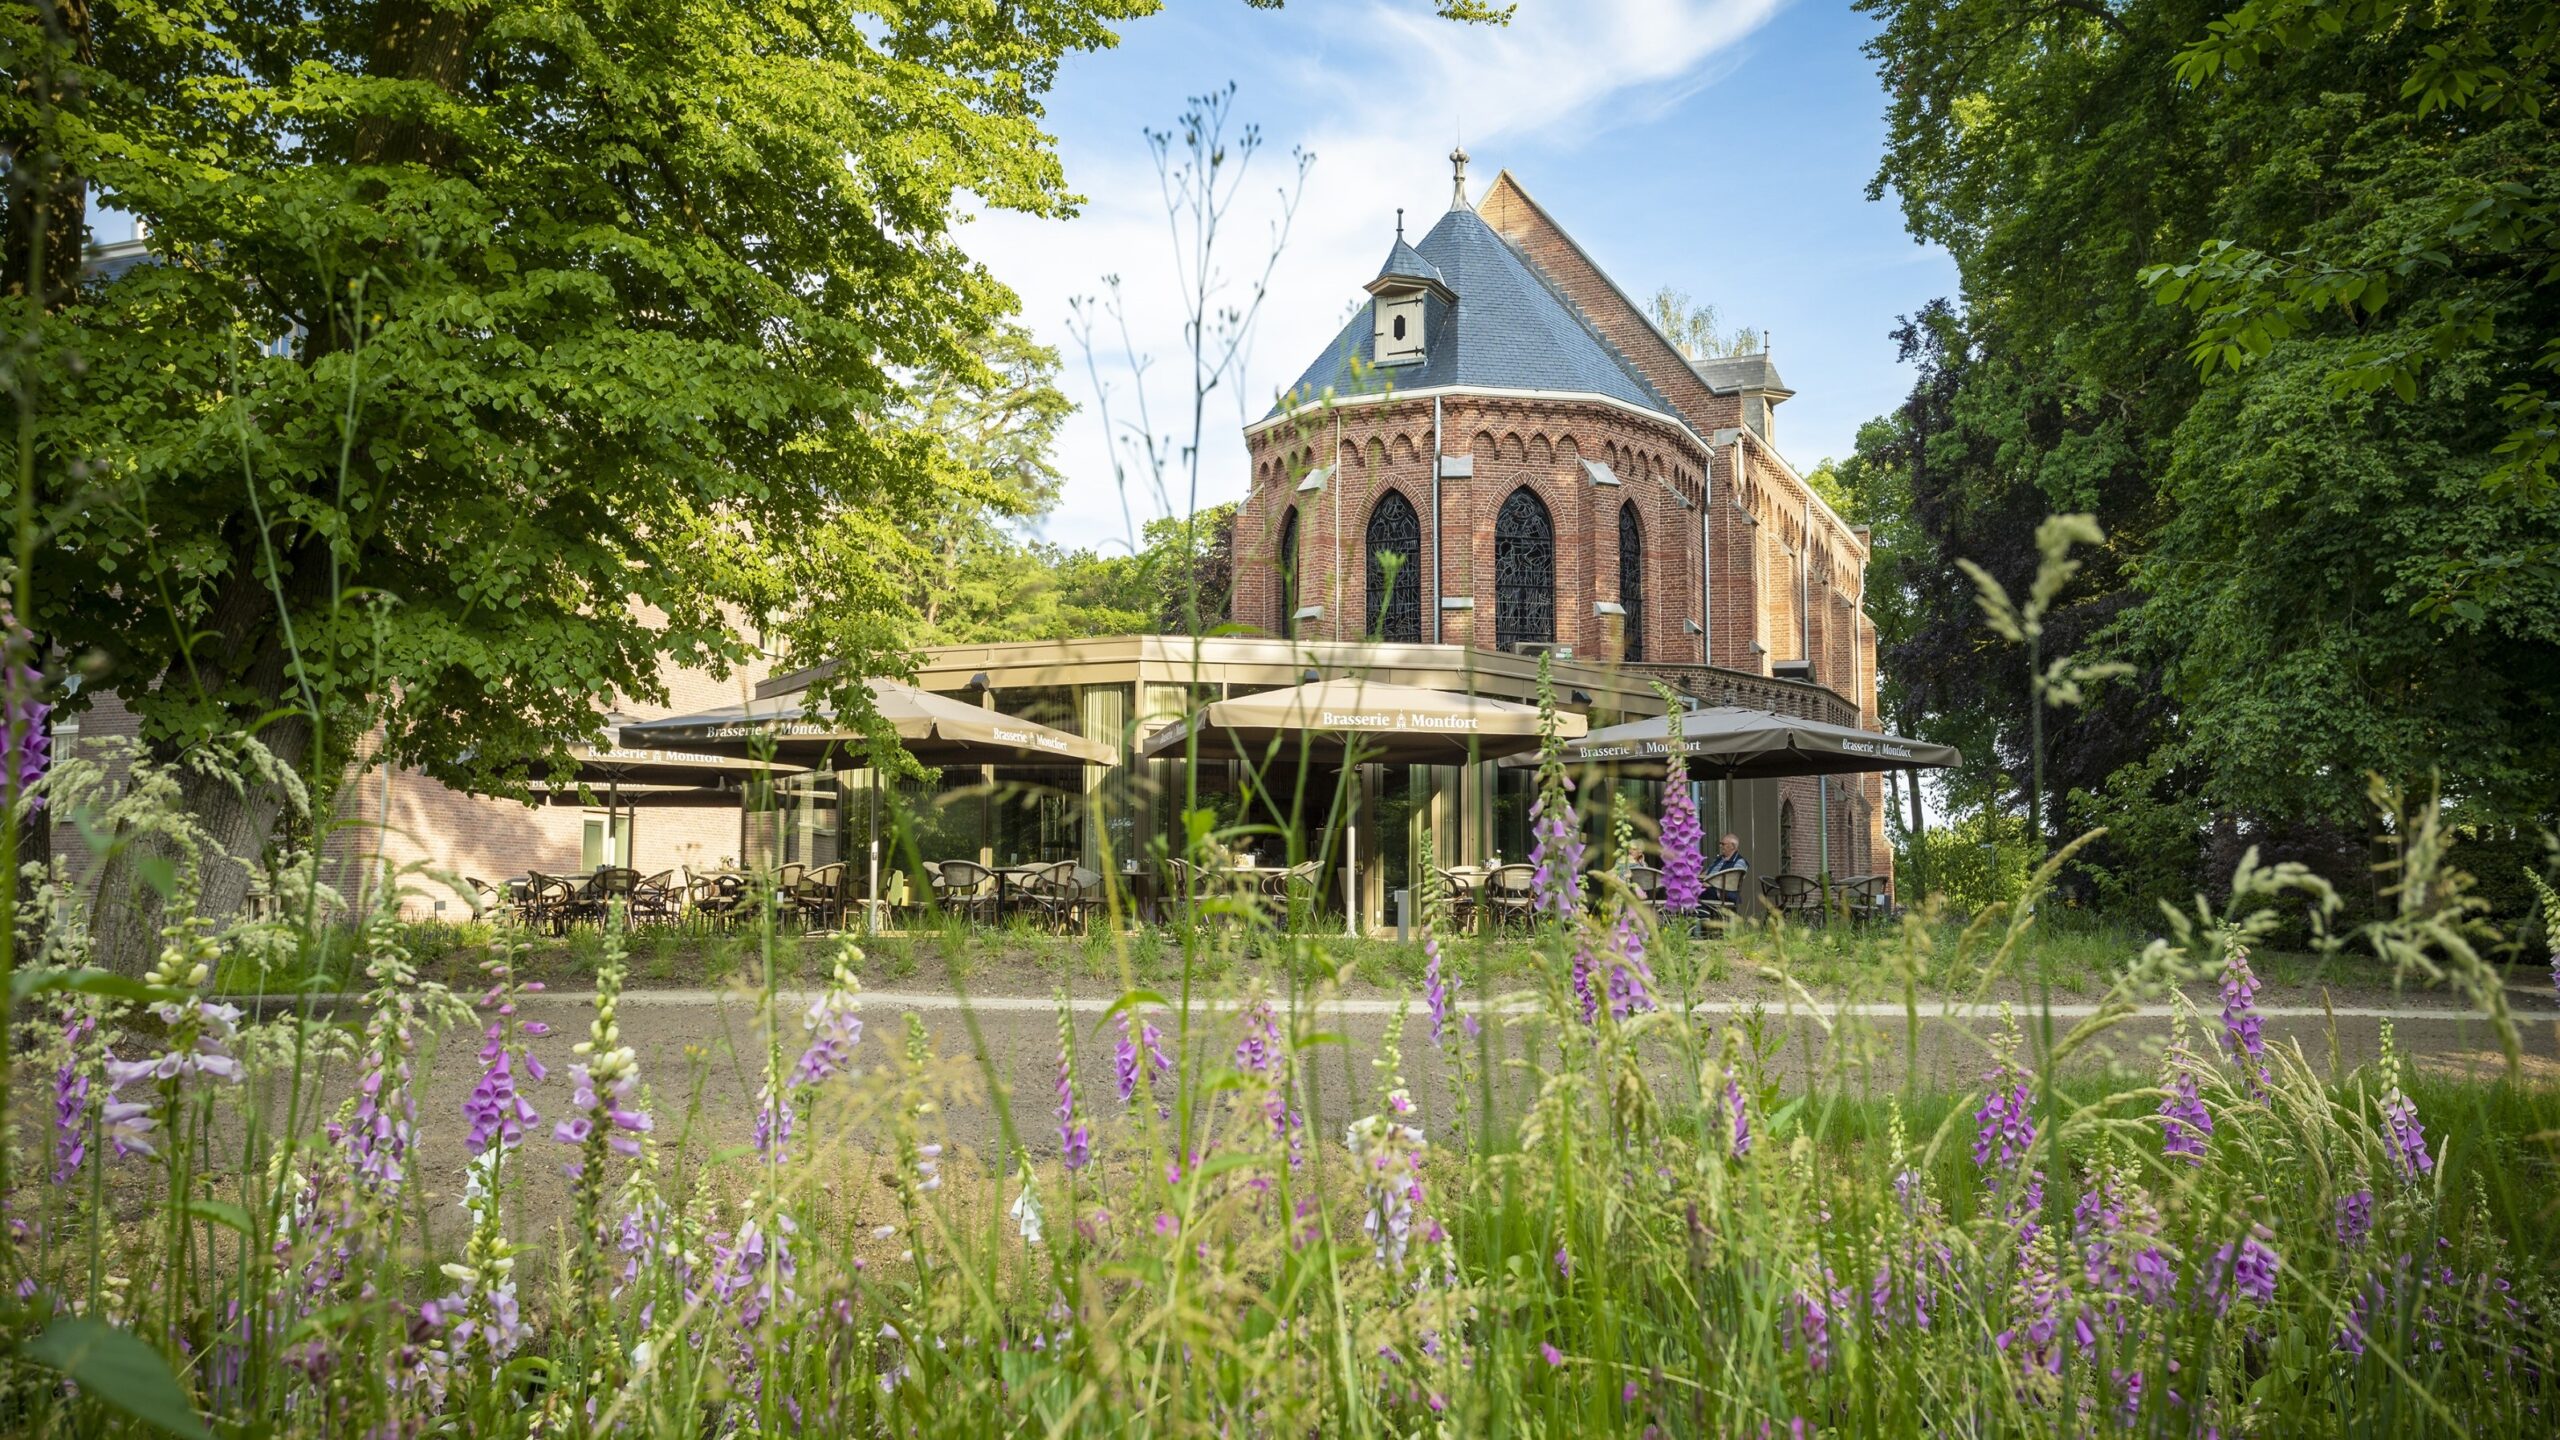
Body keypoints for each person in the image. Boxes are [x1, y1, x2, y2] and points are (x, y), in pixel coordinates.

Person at [1703, 834, 1748, 910]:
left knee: (1696, 893)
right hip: (1710, 889)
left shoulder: (1739, 861)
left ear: (1732, 846)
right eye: (1720, 844)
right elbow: (1706, 873)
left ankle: (1702, 915)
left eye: (1723, 844)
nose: (1720, 846)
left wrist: (1710, 884)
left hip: (1723, 893)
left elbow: (1732, 881)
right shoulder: (1719, 859)